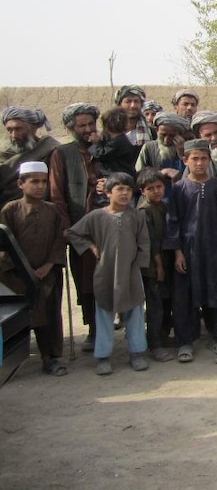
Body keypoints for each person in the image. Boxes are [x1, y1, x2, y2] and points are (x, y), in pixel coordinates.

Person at [66, 172, 150, 375]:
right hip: (105, 272)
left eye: (129, 190)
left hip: (130, 272)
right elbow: (72, 233)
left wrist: (138, 265)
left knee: (135, 312)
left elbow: (144, 243)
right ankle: (103, 356)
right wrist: (90, 246)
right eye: (120, 189)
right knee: (104, 312)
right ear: (108, 192)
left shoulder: (137, 216)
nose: (125, 194)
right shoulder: (96, 216)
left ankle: (137, 353)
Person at [164, 139, 217, 363]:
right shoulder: (178, 189)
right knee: (185, 296)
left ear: (209, 160)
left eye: (203, 158)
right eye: (195, 158)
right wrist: (178, 253)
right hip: (189, 251)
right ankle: (185, 341)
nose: (200, 163)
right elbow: (173, 222)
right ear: (185, 161)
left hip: (214, 249)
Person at [0, 161, 68, 376]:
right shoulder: (10, 210)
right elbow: (3, 245)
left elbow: (59, 241)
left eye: (43, 182)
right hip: (17, 276)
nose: (39, 186)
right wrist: (22, 269)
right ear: (21, 184)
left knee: (49, 315)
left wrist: (48, 265)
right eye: (34, 182)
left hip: (47, 274)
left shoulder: (53, 210)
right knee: (18, 318)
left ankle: (51, 358)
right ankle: (12, 362)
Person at [49, 102, 103, 351]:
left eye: (91, 124)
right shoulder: (62, 154)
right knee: (85, 281)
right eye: (82, 125)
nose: (88, 129)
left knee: (110, 279)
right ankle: (93, 328)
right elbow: (57, 195)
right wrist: (68, 230)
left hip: (109, 225)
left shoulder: (104, 148)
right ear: (71, 128)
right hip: (80, 228)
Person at [137, 168, 175, 363]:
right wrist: (159, 266)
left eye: (159, 187)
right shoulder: (144, 212)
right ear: (143, 191)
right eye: (150, 188)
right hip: (153, 266)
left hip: (167, 262)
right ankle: (155, 344)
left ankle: (164, 336)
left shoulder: (164, 206)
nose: (156, 191)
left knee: (166, 302)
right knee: (155, 306)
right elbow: (150, 243)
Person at [0, 106, 60, 207]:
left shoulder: (51, 149)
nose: (14, 135)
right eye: (10, 130)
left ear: (33, 128)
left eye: (18, 129)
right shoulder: (3, 155)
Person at [90, 108, 138, 207]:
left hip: (115, 179)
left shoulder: (119, 142)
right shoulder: (116, 140)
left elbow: (101, 154)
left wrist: (96, 143)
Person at [135, 112, 192, 187]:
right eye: (163, 135)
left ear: (180, 134)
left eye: (172, 136)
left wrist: (182, 154)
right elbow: (139, 175)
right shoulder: (149, 148)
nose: (166, 140)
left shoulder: (189, 149)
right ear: (157, 131)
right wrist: (161, 173)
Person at [115, 85, 154, 153]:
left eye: (136, 101)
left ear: (141, 105)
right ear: (119, 105)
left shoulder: (152, 133)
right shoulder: (111, 132)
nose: (133, 106)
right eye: (128, 101)